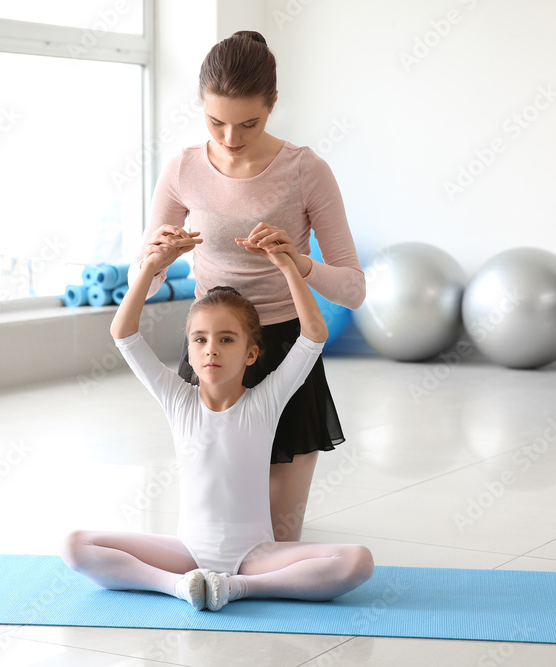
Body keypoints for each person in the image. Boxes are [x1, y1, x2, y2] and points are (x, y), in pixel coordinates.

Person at [131, 30, 365, 542]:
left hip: (285, 351)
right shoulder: (183, 170)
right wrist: (154, 262)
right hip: (214, 352)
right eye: (216, 122)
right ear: (201, 105)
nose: (231, 138)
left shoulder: (306, 171)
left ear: (273, 103)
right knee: (211, 534)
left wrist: (298, 264)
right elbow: (139, 287)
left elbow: (353, 290)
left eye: (249, 123)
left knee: (277, 539)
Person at [61, 228, 373, 611]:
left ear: (251, 353)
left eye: (227, 339)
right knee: (75, 546)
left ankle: (237, 587)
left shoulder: (266, 400)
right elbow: (123, 333)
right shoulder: (177, 399)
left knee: (358, 561)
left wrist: (289, 268)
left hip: (255, 556)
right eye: (200, 340)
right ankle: (179, 587)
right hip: (186, 554)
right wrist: (150, 268)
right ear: (189, 353)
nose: (212, 350)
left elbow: (313, 334)